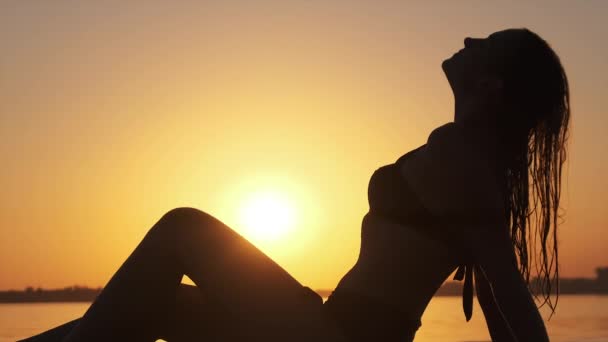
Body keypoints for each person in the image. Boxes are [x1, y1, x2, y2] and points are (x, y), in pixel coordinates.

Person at [21, 27, 570, 342]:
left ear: (490, 83)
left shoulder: (462, 161)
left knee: (180, 227)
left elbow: (512, 304)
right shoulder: (464, 158)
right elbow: (502, 310)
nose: (470, 38)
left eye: (486, 43)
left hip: (342, 338)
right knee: (161, 303)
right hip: (325, 323)